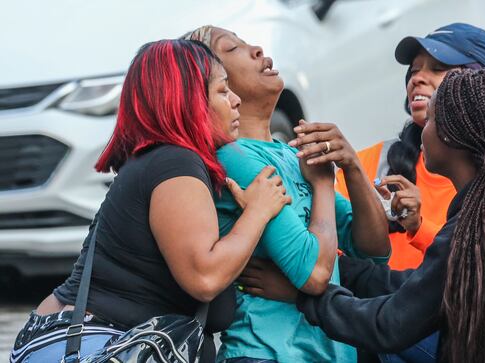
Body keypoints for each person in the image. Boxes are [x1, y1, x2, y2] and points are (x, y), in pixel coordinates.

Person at [250, 70, 485, 362]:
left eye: (429, 120)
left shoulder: (479, 233)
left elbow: (387, 325)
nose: (420, 129)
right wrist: (348, 272)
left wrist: (306, 296)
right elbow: (428, 288)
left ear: (451, 137)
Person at [10, 39, 291, 363]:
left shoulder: (161, 161)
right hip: (93, 344)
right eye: (222, 91)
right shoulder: (175, 164)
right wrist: (258, 211)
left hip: (73, 340)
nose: (236, 100)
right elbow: (205, 278)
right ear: (190, 102)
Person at [182, 26, 390, 362]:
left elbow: (375, 249)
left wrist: (351, 166)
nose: (258, 50)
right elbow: (314, 274)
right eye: (233, 48)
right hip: (268, 353)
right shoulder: (232, 158)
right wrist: (323, 184)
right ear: (213, 82)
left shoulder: (292, 156)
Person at [325, 23, 485, 271]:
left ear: (482, 87)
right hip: (367, 306)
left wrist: (419, 227)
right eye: (413, 70)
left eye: (438, 68)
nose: (416, 78)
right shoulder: (371, 162)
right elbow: (330, 251)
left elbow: (484, 273)